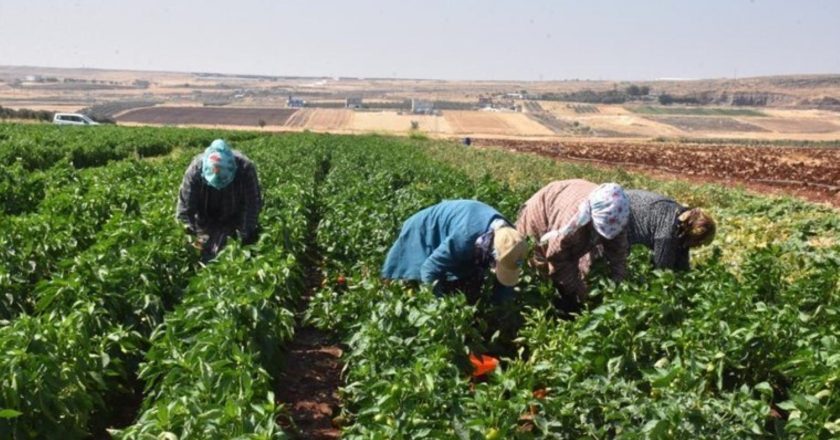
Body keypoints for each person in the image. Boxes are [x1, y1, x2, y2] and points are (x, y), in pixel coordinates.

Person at [516, 180, 630, 314]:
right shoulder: (571, 225)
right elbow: (558, 259)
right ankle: (547, 307)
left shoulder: (616, 213)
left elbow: (618, 252)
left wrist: (618, 284)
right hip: (540, 214)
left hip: (567, 199)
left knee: (587, 263)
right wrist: (579, 292)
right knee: (539, 267)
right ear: (591, 219)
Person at [381, 199, 528, 303]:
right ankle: (385, 292)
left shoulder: (511, 238)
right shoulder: (466, 236)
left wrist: (501, 304)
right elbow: (429, 269)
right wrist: (438, 305)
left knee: (468, 281)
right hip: (424, 229)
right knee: (413, 274)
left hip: (463, 226)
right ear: (492, 254)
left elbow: (507, 274)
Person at [176, 139, 262, 261]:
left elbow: (252, 207)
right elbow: (184, 212)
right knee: (204, 254)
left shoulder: (245, 169)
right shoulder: (195, 171)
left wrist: (241, 239)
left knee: (232, 255)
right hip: (204, 220)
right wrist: (191, 240)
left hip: (234, 220)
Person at [625, 189, 716, 271]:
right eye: (699, 242)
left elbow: (682, 264)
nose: (698, 246)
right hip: (621, 212)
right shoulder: (666, 235)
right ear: (693, 235)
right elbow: (662, 271)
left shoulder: (681, 220)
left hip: (628, 203)